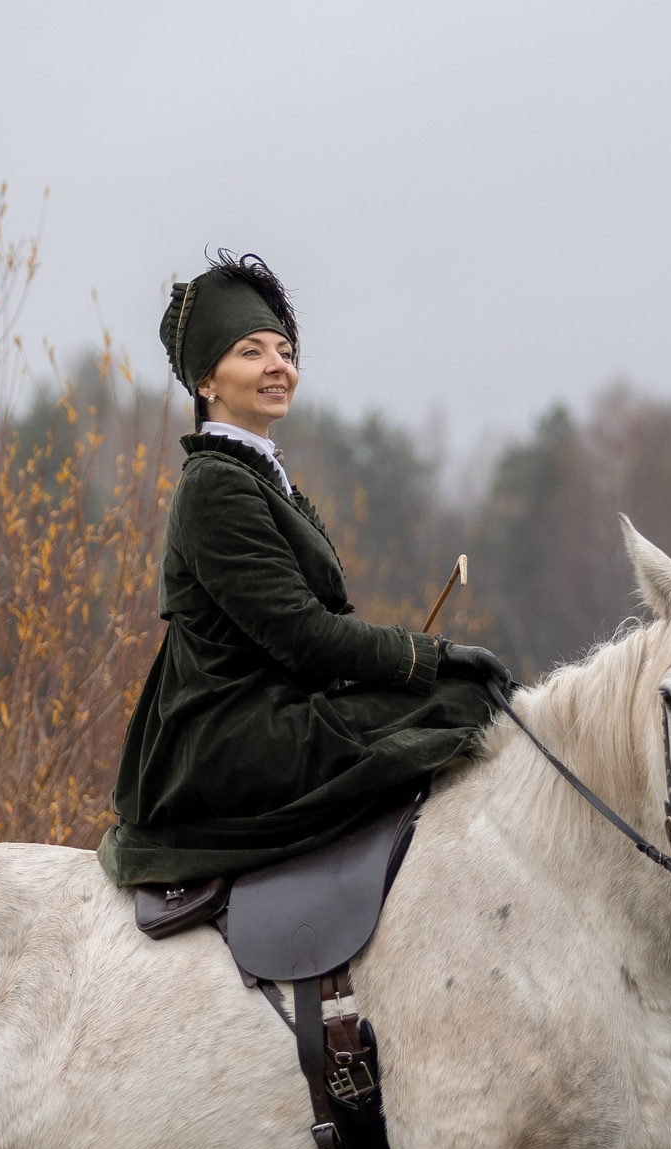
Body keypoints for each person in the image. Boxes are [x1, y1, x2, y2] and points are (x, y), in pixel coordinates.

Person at [96, 254, 513, 888]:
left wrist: (420, 665)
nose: (277, 366)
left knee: (464, 699)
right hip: (233, 735)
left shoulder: (262, 479)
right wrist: (431, 656)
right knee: (463, 704)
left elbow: (322, 631)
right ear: (206, 381)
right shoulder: (216, 487)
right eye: (251, 352)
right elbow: (304, 636)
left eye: (285, 351)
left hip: (284, 712)